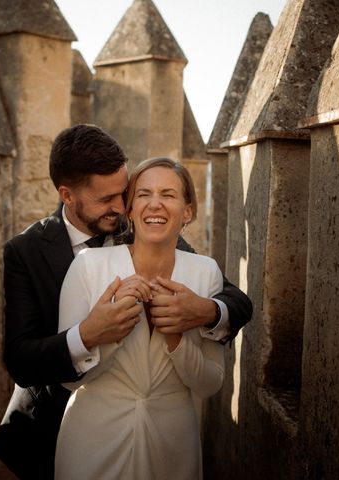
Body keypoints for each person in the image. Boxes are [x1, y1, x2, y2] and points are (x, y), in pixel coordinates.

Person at [0, 124, 252, 479]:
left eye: (124, 192)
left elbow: (234, 299)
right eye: (107, 199)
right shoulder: (25, 251)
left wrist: (205, 311)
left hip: (160, 434)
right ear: (67, 195)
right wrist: (87, 334)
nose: (121, 206)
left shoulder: (139, 226)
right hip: (43, 427)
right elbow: (21, 360)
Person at [55, 157, 223, 479]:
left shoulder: (206, 272)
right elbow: (67, 378)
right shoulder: (88, 266)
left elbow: (210, 383)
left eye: (168, 194)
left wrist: (177, 340)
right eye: (143, 194)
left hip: (172, 442)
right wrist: (106, 331)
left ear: (187, 211)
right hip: (92, 437)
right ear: (130, 210)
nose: (154, 204)